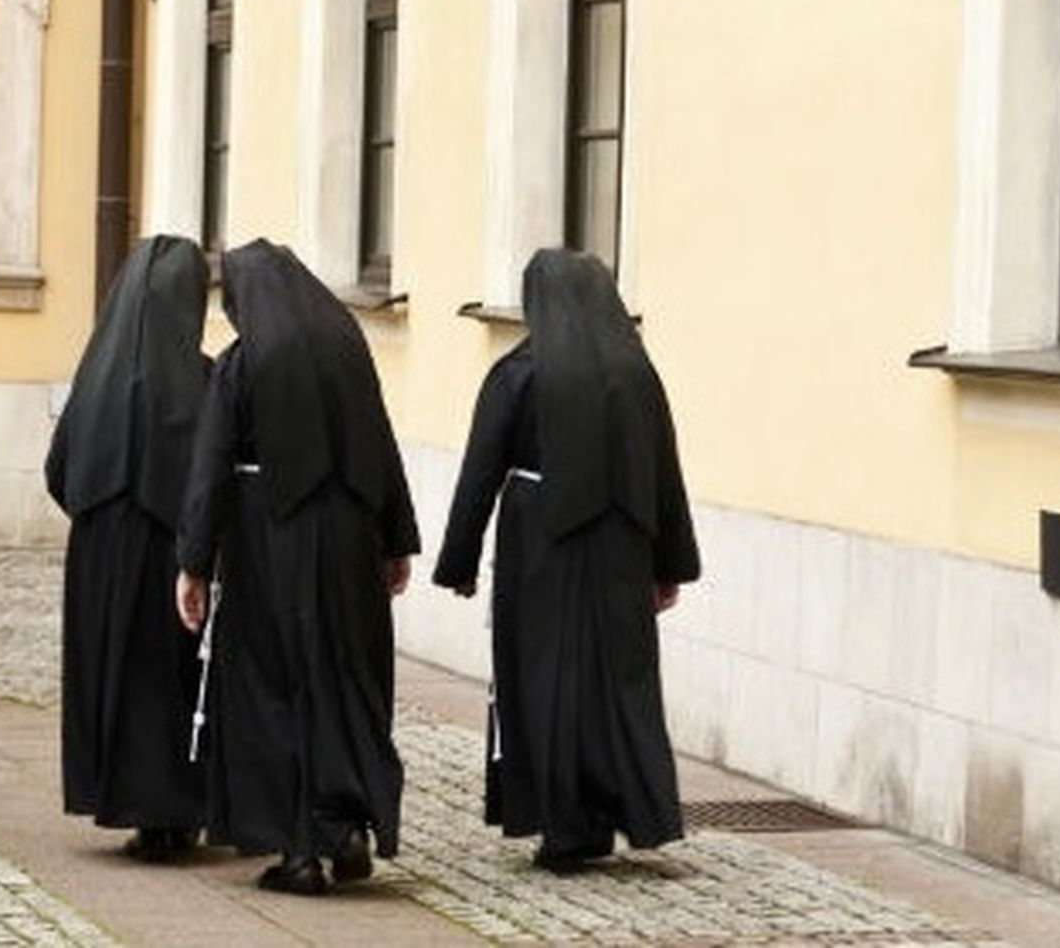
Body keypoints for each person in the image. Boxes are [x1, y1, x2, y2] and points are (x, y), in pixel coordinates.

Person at [431, 248, 700, 873]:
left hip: (541, 546)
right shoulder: (637, 373)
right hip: (621, 549)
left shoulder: (519, 374)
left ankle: (566, 824)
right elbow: (666, 473)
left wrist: (460, 559)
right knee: (618, 683)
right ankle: (625, 811)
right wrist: (669, 562)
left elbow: (481, 469)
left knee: (547, 683)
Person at [175, 239, 418, 896]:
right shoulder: (348, 352)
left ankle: (298, 849)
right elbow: (383, 446)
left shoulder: (246, 361)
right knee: (344, 682)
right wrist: (397, 541)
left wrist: (193, 563)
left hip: (268, 542)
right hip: (350, 544)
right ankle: (346, 829)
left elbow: (211, 466)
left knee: (273, 688)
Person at [44, 235, 211, 861]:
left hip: (100, 552)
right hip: (170, 554)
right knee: (167, 681)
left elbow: (59, 470)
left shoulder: (95, 378)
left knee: (114, 675)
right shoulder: (202, 379)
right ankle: (174, 808)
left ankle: (128, 801)